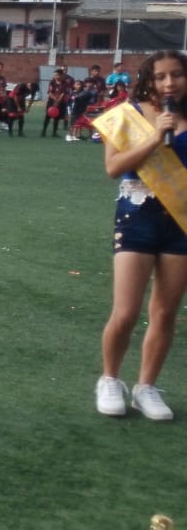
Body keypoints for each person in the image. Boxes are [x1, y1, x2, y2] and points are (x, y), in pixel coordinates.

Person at [93, 50, 187, 421]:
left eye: (177, 75)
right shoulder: (126, 115)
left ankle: (147, 387)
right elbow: (113, 167)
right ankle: (110, 379)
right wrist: (155, 137)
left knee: (165, 312)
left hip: (181, 221)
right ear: (148, 79)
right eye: (161, 76)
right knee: (126, 311)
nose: (169, 83)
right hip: (137, 216)